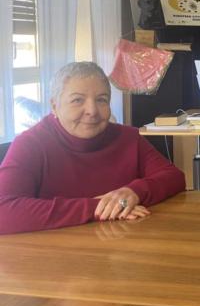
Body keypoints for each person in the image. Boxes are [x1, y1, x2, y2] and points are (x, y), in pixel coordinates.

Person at [0, 62, 186, 235]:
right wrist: (97, 207)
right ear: (54, 106)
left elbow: (174, 177)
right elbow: (4, 211)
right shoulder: (30, 144)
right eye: (77, 100)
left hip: (120, 247)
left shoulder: (129, 138)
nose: (92, 111)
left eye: (101, 100)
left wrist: (134, 192)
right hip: (54, 253)